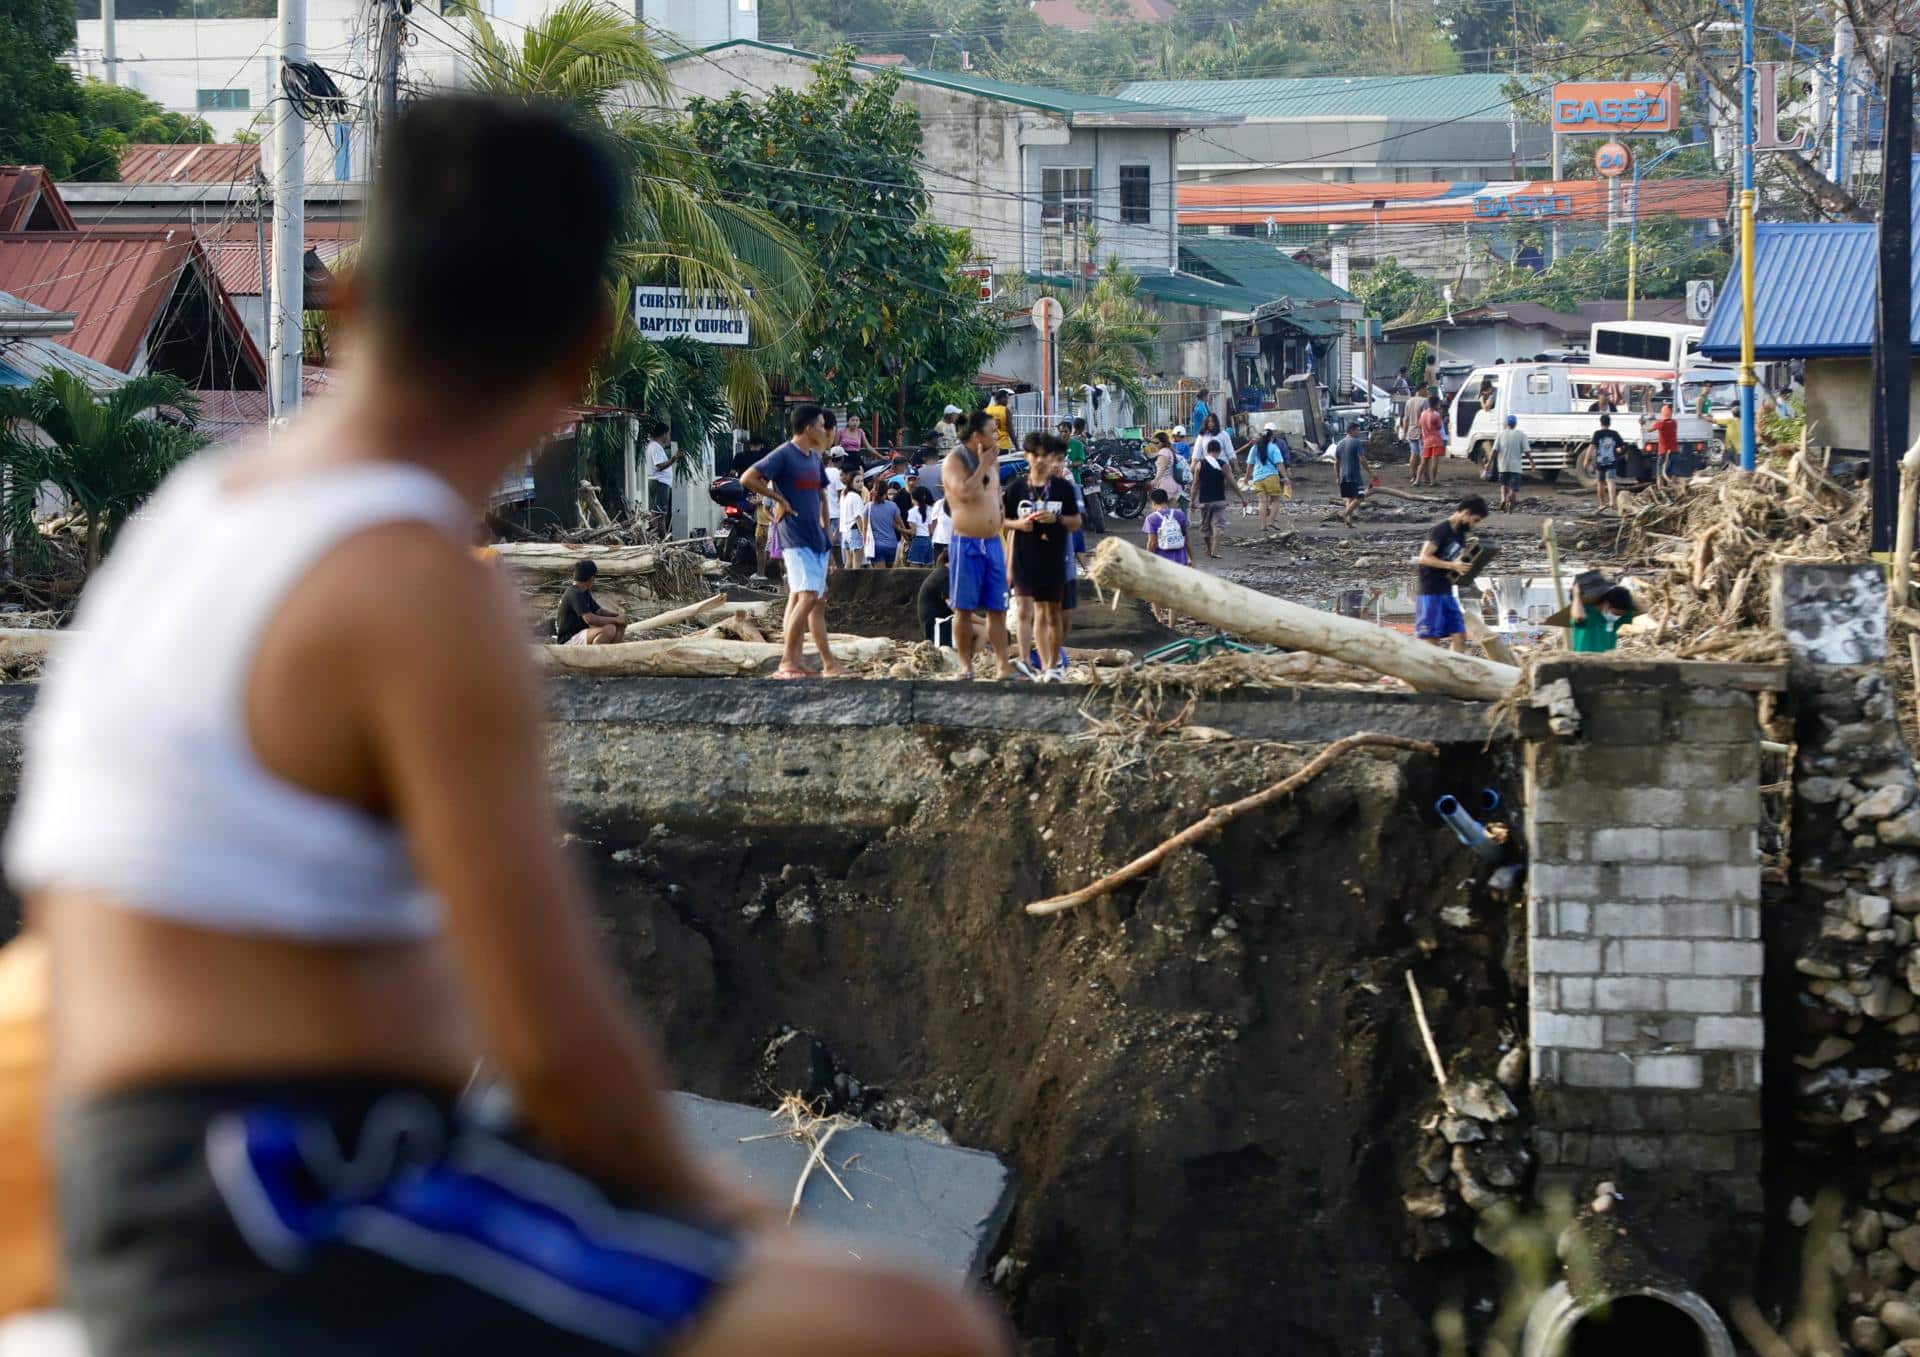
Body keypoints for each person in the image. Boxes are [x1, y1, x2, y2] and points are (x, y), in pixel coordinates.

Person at [3, 94, 1004, 1357]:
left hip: (148, 1168)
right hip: (277, 1207)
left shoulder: (206, 512)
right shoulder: (415, 583)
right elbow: (552, 1045)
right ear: (586, 351)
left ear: (352, 306)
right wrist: (736, 1222)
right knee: (906, 1325)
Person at [746, 403, 846, 679]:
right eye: (820, 424)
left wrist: (827, 535)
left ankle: (800, 659)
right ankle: (788, 661)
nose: (824, 429)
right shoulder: (785, 454)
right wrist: (779, 499)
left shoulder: (813, 458)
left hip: (815, 536)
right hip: (794, 534)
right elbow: (749, 478)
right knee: (808, 597)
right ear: (807, 428)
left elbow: (821, 496)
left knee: (805, 598)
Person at [942, 410, 1014, 679]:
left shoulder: (993, 460)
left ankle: (1002, 664)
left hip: (993, 542)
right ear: (976, 436)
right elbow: (962, 494)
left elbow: (995, 494)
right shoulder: (954, 460)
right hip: (967, 543)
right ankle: (965, 665)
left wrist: (1000, 510)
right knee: (963, 608)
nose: (997, 435)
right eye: (992, 431)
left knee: (998, 608)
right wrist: (982, 465)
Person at [1004, 433, 1081, 679]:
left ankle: (1052, 662)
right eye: (1034, 455)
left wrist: (1056, 518)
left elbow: (1077, 522)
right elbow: (1002, 520)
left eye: (1045, 456)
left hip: (1055, 559)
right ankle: (1032, 661)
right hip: (1025, 559)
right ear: (1026, 456)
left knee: (1053, 612)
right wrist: (1019, 524)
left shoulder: (1063, 488)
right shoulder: (1016, 489)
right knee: (1030, 609)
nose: (1040, 460)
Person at [1415, 495, 1489, 650]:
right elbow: (1423, 558)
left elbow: (1458, 560)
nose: (1473, 525)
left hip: (1446, 590)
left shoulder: (1460, 534)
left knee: (1460, 635)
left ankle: (1454, 669)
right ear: (1466, 512)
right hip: (1430, 591)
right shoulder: (1440, 530)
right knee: (1432, 639)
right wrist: (1452, 565)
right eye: (1474, 520)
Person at [1192, 436, 1249, 559]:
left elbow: (1195, 484)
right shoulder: (1223, 465)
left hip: (1205, 500)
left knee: (1205, 526)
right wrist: (1242, 498)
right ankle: (1214, 551)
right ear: (1219, 451)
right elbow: (1233, 482)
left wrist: (1192, 500)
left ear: (1207, 450)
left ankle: (1208, 549)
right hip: (1219, 500)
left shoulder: (1199, 464)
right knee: (1218, 526)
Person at [555, 557, 629, 645]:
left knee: (620, 626)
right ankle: (596, 657)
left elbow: (599, 611)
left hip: (581, 633)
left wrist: (618, 616)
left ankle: (613, 655)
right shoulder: (574, 593)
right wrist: (616, 620)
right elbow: (590, 619)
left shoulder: (583, 591)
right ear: (591, 578)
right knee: (610, 629)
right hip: (568, 639)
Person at [1143, 489, 1189, 628]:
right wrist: (1190, 557)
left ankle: (1159, 618)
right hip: (1179, 558)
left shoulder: (1152, 518)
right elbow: (1186, 538)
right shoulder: (1180, 514)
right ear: (1166, 500)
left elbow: (1152, 542)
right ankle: (1172, 626)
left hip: (1160, 560)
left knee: (1154, 591)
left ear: (1153, 502)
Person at [1571, 582, 1638, 653]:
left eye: (1620, 615)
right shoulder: (1587, 611)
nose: (1617, 617)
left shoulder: (1621, 616)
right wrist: (1576, 595)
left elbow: (1644, 608)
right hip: (1584, 660)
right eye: (1615, 613)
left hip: (1607, 660)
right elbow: (1578, 617)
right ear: (1606, 604)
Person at [1248, 425, 1289, 532]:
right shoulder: (1273, 447)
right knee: (1275, 500)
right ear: (1271, 437)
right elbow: (1279, 463)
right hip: (1271, 476)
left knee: (1262, 502)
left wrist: (1246, 478)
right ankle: (1271, 521)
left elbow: (1250, 464)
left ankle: (1263, 526)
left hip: (1257, 478)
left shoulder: (1254, 448)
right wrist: (1285, 477)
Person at [1492, 413, 1531, 514]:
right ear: (1515, 424)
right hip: (1516, 467)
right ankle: (1511, 509)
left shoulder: (1501, 434)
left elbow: (1494, 450)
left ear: (1507, 424)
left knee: (1503, 485)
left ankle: (1503, 499)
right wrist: (1532, 462)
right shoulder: (1521, 435)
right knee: (1513, 489)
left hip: (1503, 466)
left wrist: (1488, 464)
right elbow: (1527, 451)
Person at [1333, 427, 1370, 528]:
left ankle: (1348, 522)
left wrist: (1337, 476)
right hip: (1354, 475)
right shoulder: (1357, 442)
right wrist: (1370, 472)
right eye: (1357, 430)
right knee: (1360, 497)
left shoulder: (1339, 443)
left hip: (1343, 475)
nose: (1359, 432)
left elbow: (1336, 462)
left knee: (1350, 498)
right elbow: (1362, 459)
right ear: (1351, 431)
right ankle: (1344, 514)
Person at [864, 478, 904, 569]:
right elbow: (901, 526)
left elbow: (864, 528)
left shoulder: (868, 507)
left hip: (877, 546)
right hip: (892, 545)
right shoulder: (893, 506)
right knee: (889, 576)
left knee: (880, 578)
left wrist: (864, 544)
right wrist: (906, 540)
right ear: (885, 492)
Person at [645, 419, 675, 531]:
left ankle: (656, 538)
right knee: (659, 514)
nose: (668, 437)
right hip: (660, 483)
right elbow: (659, 465)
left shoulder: (653, 446)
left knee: (658, 512)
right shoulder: (656, 447)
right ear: (663, 434)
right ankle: (659, 540)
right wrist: (674, 459)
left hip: (658, 482)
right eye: (668, 434)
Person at [1591, 412, 1624, 512]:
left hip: (1600, 462)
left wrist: (1586, 459)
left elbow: (1592, 447)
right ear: (1609, 423)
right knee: (1611, 482)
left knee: (1600, 483)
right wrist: (1619, 450)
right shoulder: (1614, 434)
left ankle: (1601, 504)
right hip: (1611, 461)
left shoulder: (1597, 434)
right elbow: (1622, 447)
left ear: (1601, 423)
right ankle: (1612, 504)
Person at [837, 468, 866, 571]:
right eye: (857, 481)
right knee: (856, 564)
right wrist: (864, 534)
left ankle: (844, 585)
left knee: (848, 563)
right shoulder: (855, 497)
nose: (860, 484)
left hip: (844, 532)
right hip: (854, 530)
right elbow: (858, 517)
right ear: (851, 483)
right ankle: (854, 584)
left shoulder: (844, 494)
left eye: (862, 481)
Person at [1416, 393, 1447, 488]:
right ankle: (1433, 481)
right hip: (1436, 440)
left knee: (1423, 461)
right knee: (1435, 461)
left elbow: (1419, 425)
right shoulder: (1436, 415)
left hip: (1426, 440)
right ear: (1436, 404)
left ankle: (1417, 480)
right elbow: (1439, 427)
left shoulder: (1423, 414)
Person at [1401, 386, 1427, 482]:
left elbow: (1406, 419)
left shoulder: (1409, 401)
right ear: (1421, 389)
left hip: (1411, 431)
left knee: (1413, 454)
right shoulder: (1425, 401)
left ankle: (1413, 476)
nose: (1427, 391)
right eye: (1426, 389)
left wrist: (1405, 432)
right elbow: (1425, 418)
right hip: (1421, 432)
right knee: (1424, 457)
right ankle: (1425, 477)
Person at [906, 487, 936, 567]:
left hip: (918, 541)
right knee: (927, 570)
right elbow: (931, 531)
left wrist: (900, 528)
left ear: (913, 498)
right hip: (928, 541)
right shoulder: (930, 509)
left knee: (914, 569)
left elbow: (913, 532)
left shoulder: (912, 511)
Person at [1652, 402, 1679, 487]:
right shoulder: (1674, 423)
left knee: (1659, 472)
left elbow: (1648, 429)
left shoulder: (1660, 424)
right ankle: (1674, 487)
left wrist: (1642, 425)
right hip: (1674, 451)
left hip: (1663, 451)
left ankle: (1660, 489)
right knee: (1673, 471)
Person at [930, 492, 953, 566]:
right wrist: (931, 538)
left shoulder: (961, 504)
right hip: (939, 541)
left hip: (954, 543)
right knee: (938, 568)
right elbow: (934, 522)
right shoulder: (939, 503)